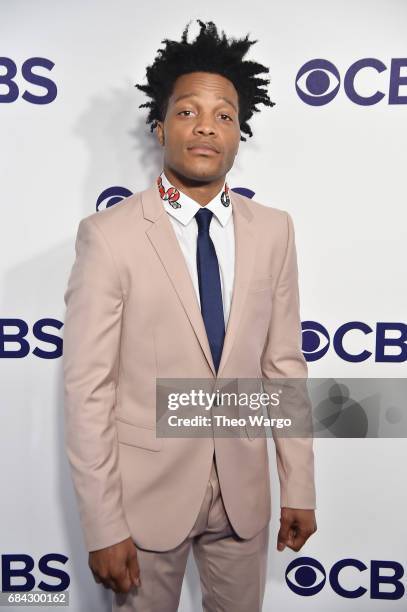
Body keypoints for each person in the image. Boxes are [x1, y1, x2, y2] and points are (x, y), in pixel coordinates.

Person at [63, 18, 317, 612]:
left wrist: (298, 485)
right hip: (142, 502)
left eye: (224, 114)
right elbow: (88, 389)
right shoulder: (109, 236)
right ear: (160, 125)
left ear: (239, 132)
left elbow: (284, 367)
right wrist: (103, 524)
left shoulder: (274, 231)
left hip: (243, 494)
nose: (207, 125)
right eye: (187, 111)